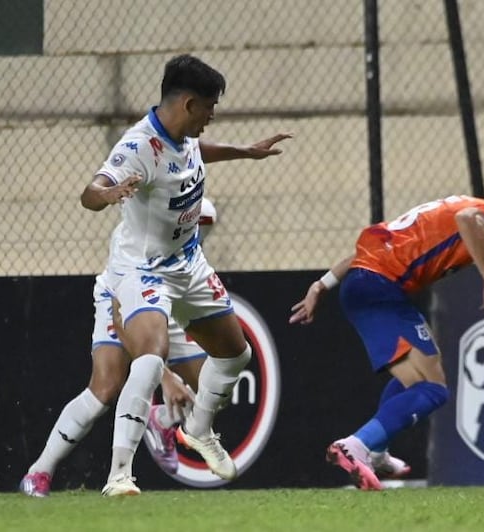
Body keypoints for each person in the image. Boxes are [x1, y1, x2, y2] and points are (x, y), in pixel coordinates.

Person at [80, 54, 291, 496]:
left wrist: (246, 152)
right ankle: (119, 474)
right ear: (189, 103)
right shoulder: (138, 145)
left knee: (236, 355)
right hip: (145, 269)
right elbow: (90, 192)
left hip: (188, 263)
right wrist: (111, 192)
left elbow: (197, 152)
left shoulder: (184, 135)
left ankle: (198, 428)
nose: (213, 116)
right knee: (152, 356)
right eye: (211, 107)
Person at [289, 163, 484, 490]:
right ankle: (357, 445)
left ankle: (375, 450)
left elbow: (366, 252)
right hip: (380, 288)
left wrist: (320, 285)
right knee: (433, 388)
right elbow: (468, 221)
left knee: (414, 379)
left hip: (363, 284)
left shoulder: (458, 207)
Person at [19, 200, 218, 497]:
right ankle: (39, 471)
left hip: (168, 298)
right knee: (105, 389)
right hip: (122, 300)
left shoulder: (191, 234)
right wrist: (166, 377)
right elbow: (127, 324)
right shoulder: (131, 242)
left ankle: (161, 419)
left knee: (212, 386)